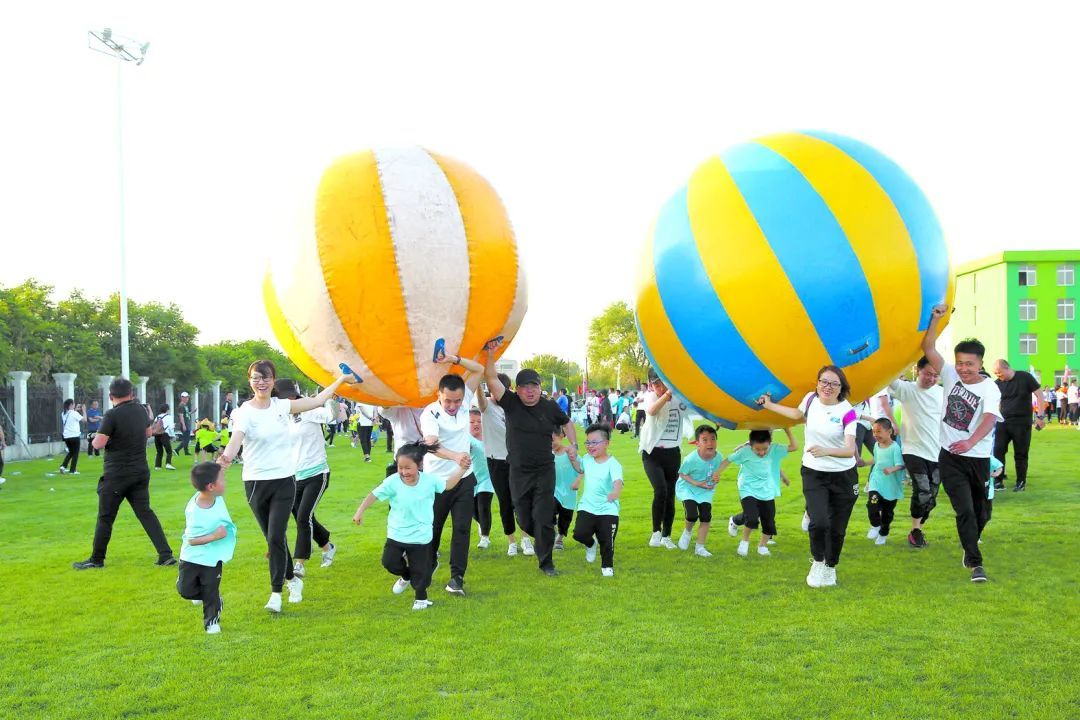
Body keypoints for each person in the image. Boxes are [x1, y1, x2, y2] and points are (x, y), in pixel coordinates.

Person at [218, 360, 355, 611]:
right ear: (249, 381)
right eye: (256, 378)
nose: (261, 382)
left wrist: (339, 381)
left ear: (273, 380)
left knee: (275, 537)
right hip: (255, 482)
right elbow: (237, 438)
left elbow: (315, 401)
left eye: (266, 377)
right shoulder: (243, 412)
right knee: (273, 541)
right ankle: (292, 579)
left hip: (284, 481)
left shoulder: (282, 406)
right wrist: (227, 457)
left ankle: (276, 595)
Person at [757, 365, 858, 588]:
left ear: (841, 387)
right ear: (817, 382)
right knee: (819, 522)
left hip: (843, 476)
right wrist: (769, 404)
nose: (827, 387)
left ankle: (831, 567)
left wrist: (826, 450)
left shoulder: (848, 412)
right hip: (814, 472)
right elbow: (796, 414)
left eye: (834, 383)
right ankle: (818, 561)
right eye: (824, 381)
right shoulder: (810, 399)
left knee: (837, 528)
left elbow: (850, 450)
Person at [921, 304, 1001, 583]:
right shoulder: (950, 374)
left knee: (982, 513)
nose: (964, 369)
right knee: (964, 509)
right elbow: (928, 346)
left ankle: (971, 543)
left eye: (970, 364)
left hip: (978, 457)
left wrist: (970, 441)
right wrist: (936, 319)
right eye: (960, 363)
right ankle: (975, 562)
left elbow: (990, 418)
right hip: (950, 456)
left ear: (980, 364)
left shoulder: (990, 387)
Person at [484, 342, 576, 577]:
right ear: (517, 389)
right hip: (518, 470)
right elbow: (492, 378)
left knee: (544, 517)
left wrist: (572, 445)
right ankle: (539, 533)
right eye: (525, 387)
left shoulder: (550, 406)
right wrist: (491, 354)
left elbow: (567, 422)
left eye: (534, 385)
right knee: (525, 519)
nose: (530, 390)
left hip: (545, 469)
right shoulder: (510, 403)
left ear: (539, 387)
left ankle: (547, 563)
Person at [73, 378, 177, 569]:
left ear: (111, 396)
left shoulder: (111, 415)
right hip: (140, 471)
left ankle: (97, 559)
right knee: (146, 513)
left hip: (117, 474)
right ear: (132, 394)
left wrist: (97, 438)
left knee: (105, 517)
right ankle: (165, 554)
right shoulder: (140, 410)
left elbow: (98, 443)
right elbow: (148, 433)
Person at [352, 441, 468, 611]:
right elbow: (374, 495)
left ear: (420, 465)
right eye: (400, 467)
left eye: (408, 468)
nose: (404, 472)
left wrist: (462, 468)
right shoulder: (393, 481)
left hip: (421, 536)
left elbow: (448, 485)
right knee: (389, 562)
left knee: (421, 572)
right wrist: (359, 512)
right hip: (396, 534)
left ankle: (421, 599)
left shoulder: (429, 481)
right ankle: (405, 575)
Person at [421, 349, 485, 596]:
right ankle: (428, 564)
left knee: (462, 528)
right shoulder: (430, 413)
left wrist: (453, 360)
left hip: (464, 479)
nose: (453, 406)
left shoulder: (464, 399)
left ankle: (457, 577)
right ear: (439, 395)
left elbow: (478, 369)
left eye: (458, 401)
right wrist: (455, 456)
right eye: (448, 400)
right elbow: (431, 444)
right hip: (437, 481)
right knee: (433, 528)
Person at [274, 379, 338, 578]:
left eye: (288, 397)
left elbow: (331, 418)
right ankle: (327, 545)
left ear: (294, 395)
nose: (287, 401)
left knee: (303, 518)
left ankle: (299, 562)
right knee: (302, 516)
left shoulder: (309, 409)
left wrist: (330, 400)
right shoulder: (281, 416)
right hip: (294, 476)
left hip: (317, 473)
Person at [888, 358, 944, 548]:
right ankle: (915, 530)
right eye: (928, 374)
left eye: (935, 375)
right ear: (917, 370)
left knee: (932, 497)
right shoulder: (906, 389)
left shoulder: (942, 392)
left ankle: (918, 524)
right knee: (922, 490)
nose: (931, 379)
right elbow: (888, 377)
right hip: (913, 450)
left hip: (937, 452)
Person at [176, 462, 236, 635]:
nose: (225, 482)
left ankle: (211, 623)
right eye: (222, 480)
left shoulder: (216, 497)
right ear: (211, 486)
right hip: (192, 556)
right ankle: (213, 599)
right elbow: (192, 541)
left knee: (210, 589)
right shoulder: (195, 512)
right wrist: (214, 536)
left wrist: (222, 463)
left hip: (213, 557)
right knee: (185, 591)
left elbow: (213, 471)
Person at [726, 428, 797, 556]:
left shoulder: (771, 449)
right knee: (752, 515)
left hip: (766, 488)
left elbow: (771, 462)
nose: (762, 452)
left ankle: (761, 543)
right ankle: (744, 540)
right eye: (769, 432)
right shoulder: (750, 449)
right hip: (749, 487)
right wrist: (745, 445)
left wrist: (783, 476)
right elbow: (735, 454)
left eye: (771, 432)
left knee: (766, 517)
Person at [639, 370, 688, 549]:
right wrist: (667, 394)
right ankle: (656, 532)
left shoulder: (680, 397)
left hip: (672, 453)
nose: (660, 388)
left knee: (670, 494)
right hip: (652, 454)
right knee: (660, 490)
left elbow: (699, 407)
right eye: (656, 384)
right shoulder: (650, 397)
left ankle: (667, 536)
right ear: (651, 385)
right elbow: (651, 411)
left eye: (663, 383)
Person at [476, 373, 524, 556]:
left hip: (517, 459)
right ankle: (511, 541)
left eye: (499, 389)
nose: (495, 394)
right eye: (492, 389)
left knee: (520, 500)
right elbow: (480, 401)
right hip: (496, 461)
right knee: (505, 502)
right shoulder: (487, 406)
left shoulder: (514, 406)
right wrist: (480, 381)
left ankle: (525, 539)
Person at [570, 424, 623, 577]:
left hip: (608, 509)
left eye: (594, 442)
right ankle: (591, 544)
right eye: (588, 442)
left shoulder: (613, 464)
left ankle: (607, 566)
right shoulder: (586, 459)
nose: (590, 446)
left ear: (606, 444)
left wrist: (615, 492)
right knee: (579, 534)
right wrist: (573, 459)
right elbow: (580, 470)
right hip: (587, 506)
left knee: (607, 540)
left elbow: (618, 481)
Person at [991, 359, 1046, 492]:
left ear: (1007, 368)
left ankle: (1020, 482)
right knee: (998, 450)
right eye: (996, 374)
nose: (998, 376)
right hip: (1002, 422)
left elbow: (1039, 395)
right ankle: (998, 481)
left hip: (1022, 423)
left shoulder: (1025, 377)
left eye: (999, 373)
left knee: (1021, 453)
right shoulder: (997, 384)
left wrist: (1040, 416)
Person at [675, 425, 723, 557]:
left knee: (706, 516)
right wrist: (697, 483)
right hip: (688, 488)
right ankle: (687, 532)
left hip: (705, 490)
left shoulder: (718, 458)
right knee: (692, 515)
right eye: (705, 440)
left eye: (713, 439)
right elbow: (682, 474)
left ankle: (700, 547)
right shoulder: (691, 459)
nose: (710, 443)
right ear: (697, 443)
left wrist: (715, 479)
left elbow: (716, 473)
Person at [864, 418, 906, 545]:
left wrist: (892, 469)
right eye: (873, 432)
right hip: (876, 481)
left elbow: (901, 465)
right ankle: (875, 525)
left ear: (889, 432)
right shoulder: (876, 445)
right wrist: (865, 462)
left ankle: (883, 533)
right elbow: (877, 460)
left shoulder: (895, 448)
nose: (875, 435)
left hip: (891, 485)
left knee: (887, 513)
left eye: (878, 431)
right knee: (872, 503)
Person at [469, 408, 496, 549]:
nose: (476, 424)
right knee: (473, 510)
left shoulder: (489, 436)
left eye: (479, 421)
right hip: (471, 479)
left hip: (488, 479)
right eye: (472, 421)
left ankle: (485, 538)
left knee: (483, 506)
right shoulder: (465, 439)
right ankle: (481, 523)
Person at [552, 426, 582, 551]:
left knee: (565, 518)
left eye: (552, 439)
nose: (550, 443)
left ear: (561, 436)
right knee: (548, 510)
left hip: (569, 492)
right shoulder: (548, 455)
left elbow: (582, 469)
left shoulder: (569, 453)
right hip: (553, 491)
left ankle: (560, 537)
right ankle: (550, 531)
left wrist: (577, 481)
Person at [379, 405, 425, 477]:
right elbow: (385, 409)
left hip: (429, 464)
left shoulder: (435, 407)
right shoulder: (398, 409)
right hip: (403, 463)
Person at [59, 400, 84, 475]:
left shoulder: (63, 413)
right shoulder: (74, 413)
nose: (74, 405)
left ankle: (63, 466)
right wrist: (84, 411)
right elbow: (84, 420)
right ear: (71, 405)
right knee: (75, 453)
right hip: (74, 436)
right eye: (73, 404)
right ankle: (72, 470)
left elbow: (71, 415)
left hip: (67, 436)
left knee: (71, 452)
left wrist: (76, 409)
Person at [152, 404, 177, 470]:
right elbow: (171, 427)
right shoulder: (169, 417)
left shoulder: (157, 417)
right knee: (169, 450)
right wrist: (174, 427)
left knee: (159, 451)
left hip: (157, 435)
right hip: (164, 434)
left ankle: (157, 466)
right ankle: (168, 464)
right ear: (167, 409)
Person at [174, 392, 193, 456]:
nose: (186, 398)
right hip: (185, 424)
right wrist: (183, 425)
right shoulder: (181, 406)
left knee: (186, 438)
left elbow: (186, 414)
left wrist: (192, 412)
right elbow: (181, 416)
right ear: (182, 398)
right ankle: (177, 449)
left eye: (187, 397)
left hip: (187, 423)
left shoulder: (185, 405)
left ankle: (186, 452)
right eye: (184, 397)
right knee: (186, 439)